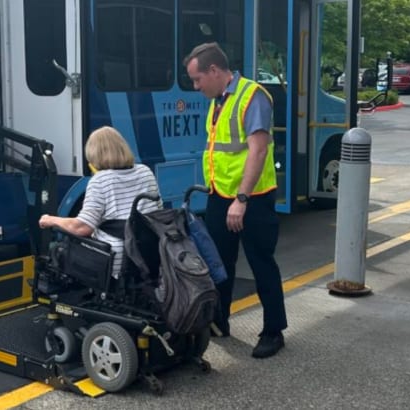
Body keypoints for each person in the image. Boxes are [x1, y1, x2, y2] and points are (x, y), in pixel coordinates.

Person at [183, 42, 288, 358]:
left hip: (251, 199)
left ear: (214, 71)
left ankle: (273, 331)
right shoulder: (219, 100)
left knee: (261, 263)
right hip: (220, 196)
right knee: (219, 263)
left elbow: (257, 151)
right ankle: (218, 321)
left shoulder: (252, 96)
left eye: (197, 79)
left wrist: (241, 199)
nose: (195, 86)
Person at [39, 126, 162, 279]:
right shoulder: (145, 171)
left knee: (57, 251)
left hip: (116, 263)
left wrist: (50, 220)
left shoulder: (100, 180)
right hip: (149, 256)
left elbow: (82, 228)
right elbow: (157, 211)